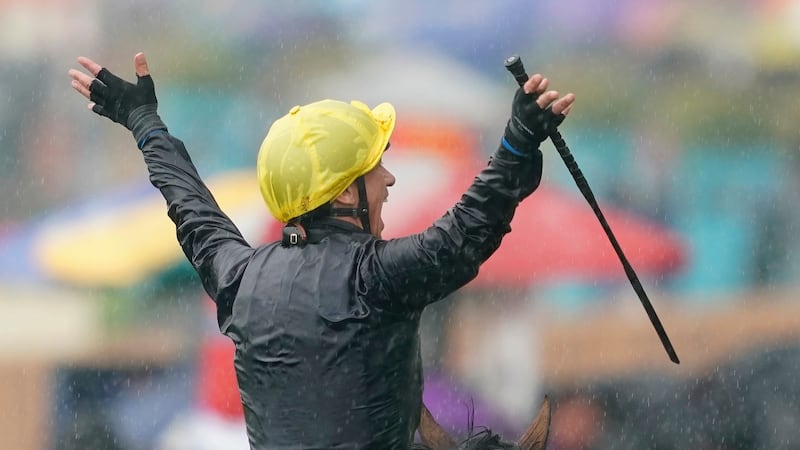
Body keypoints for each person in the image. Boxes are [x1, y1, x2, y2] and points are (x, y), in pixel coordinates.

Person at [68, 52, 574, 450]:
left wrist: (144, 122)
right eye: (376, 168)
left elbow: (190, 204)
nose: (389, 179)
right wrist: (517, 142)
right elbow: (468, 231)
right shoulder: (377, 278)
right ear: (345, 193)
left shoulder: (240, 277)